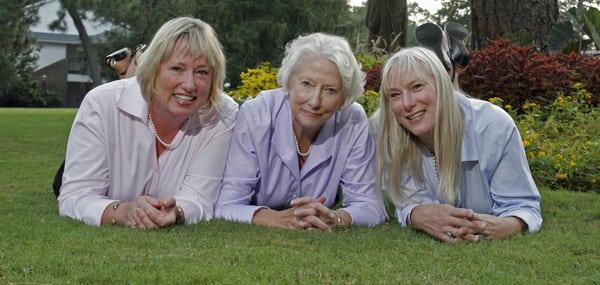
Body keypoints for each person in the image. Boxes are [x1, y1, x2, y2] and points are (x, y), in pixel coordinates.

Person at [58, 17, 238, 229]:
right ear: (153, 69)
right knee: (61, 181)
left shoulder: (222, 115)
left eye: (201, 72)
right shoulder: (102, 103)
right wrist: (123, 212)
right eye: (177, 69)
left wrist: (177, 212)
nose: (189, 85)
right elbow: (75, 196)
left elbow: (200, 197)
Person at [215, 33, 387, 231]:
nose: (314, 101)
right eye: (306, 84)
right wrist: (272, 217)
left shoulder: (353, 119)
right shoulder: (257, 113)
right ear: (289, 82)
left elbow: (371, 207)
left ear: (344, 97)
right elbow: (227, 205)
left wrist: (336, 218)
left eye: (330, 90)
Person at [371, 47, 542, 242]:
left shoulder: (494, 127)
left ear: (442, 85)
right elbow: (406, 200)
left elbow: (522, 205)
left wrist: (504, 225)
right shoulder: (385, 130)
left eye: (417, 86)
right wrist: (417, 214)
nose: (407, 103)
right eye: (395, 95)